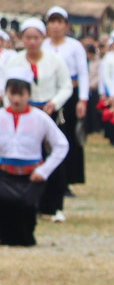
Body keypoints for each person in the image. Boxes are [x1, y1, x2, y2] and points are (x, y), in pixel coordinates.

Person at [4, 19, 72, 221]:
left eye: (36, 37)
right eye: (28, 37)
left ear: (44, 37)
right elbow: (6, 88)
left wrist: (55, 102)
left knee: (53, 158)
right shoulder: (14, 61)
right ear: (22, 38)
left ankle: (54, 206)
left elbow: (66, 86)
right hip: (21, 113)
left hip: (48, 112)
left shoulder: (55, 60)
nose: (32, 41)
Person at [0, 71, 68, 246]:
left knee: (26, 207)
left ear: (28, 94)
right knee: (5, 206)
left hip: (32, 175)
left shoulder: (40, 118)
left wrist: (44, 170)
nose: (16, 99)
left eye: (20, 94)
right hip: (5, 173)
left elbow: (61, 144)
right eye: (12, 94)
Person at [42, 6, 88, 187]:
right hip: (48, 95)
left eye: (59, 22)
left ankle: (69, 178)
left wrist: (83, 99)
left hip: (71, 95)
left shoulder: (74, 46)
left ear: (66, 25)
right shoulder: (43, 45)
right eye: (52, 22)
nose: (55, 26)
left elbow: (83, 74)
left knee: (68, 136)